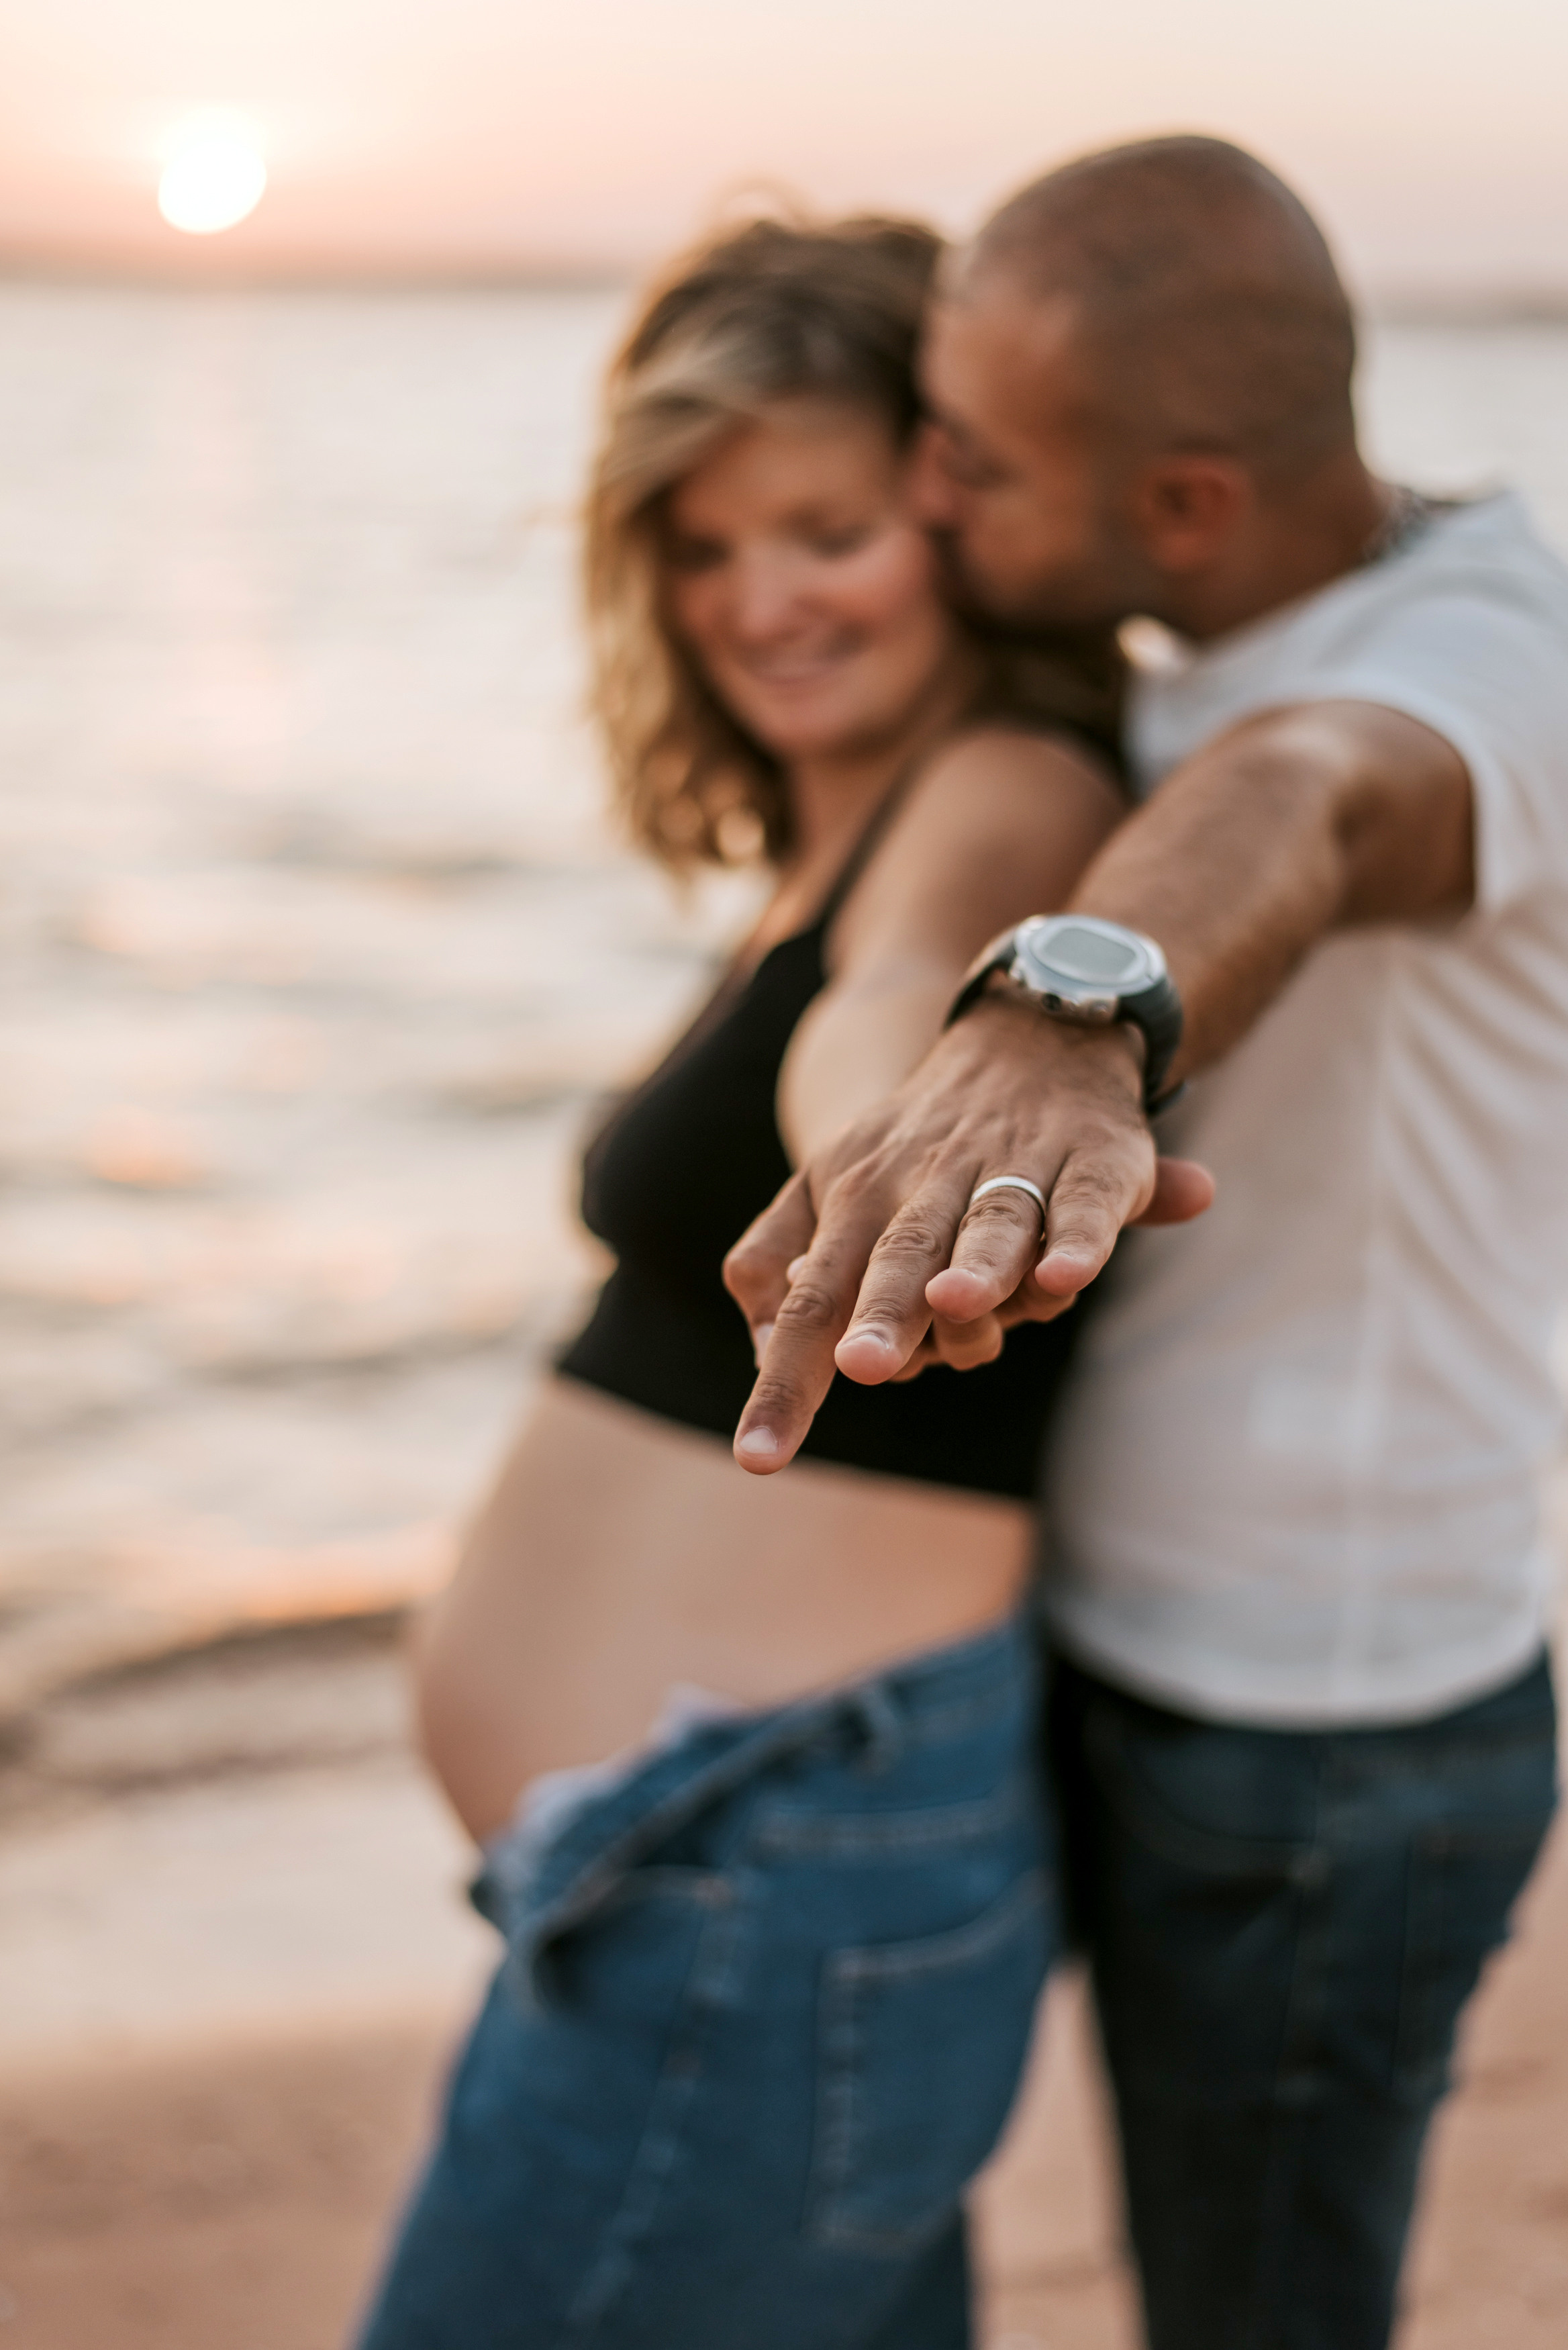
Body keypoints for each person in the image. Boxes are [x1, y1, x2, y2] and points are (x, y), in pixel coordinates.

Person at [725, 137, 1567, 2349]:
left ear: (1184, 497)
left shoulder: (1478, 652)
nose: (924, 504)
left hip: (1324, 1733)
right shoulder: (1193, 626)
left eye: (973, 465)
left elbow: (1300, 801)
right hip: (1095, 1653)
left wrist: (1068, 1007)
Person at [353, 216, 1204, 2350]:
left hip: (763, 1892)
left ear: (953, 506)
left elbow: (907, 995)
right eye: (706, 546)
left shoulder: (1003, 790)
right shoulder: (823, 834)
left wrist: (896, 1134)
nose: (761, 599)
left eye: (823, 528)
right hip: (732, 1886)